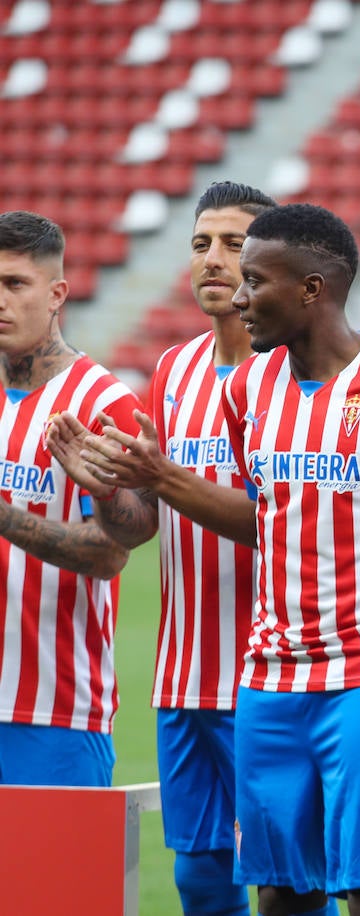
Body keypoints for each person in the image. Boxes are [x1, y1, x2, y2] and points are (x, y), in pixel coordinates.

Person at [61, 203, 360, 916]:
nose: (238, 296)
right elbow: (271, 519)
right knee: (280, 893)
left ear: (312, 289)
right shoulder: (247, 389)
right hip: (269, 681)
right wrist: (154, 476)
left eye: (256, 280)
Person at [48, 182, 282, 916]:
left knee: (281, 881)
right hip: (183, 678)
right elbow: (143, 521)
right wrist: (106, 490)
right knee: (200, 880)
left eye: (235, 244)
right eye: (201, 243)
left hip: (268, 676)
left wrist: (161, 478)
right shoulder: (174, 372)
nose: (214, 259)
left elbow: (281, 521)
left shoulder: (289, 379)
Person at [0, 210, 143, 787]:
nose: (0, 301)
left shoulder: (101, 400)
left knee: (49, 881)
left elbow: (111, 553)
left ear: (57, 293)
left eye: (14, 284)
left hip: (52, 710)